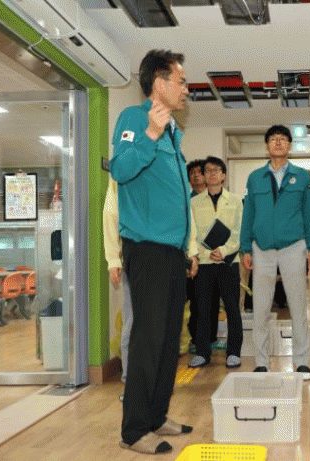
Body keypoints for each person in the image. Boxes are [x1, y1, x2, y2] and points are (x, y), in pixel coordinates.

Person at [110, 49, 194, 455]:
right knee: (148, 337)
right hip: (146, 247)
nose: (186, 88)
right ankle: (134, 430)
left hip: (172, 250)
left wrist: (187, 247)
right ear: (159, 83)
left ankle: (157, 415)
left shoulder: (174, 130)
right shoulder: (134, 118)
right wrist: (150, 134)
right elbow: (121, 169)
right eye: (181, 80)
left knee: (169, 338)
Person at [240, 125, 310, 379]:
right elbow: (248, 214)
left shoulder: (302, 176)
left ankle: (302, 362)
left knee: (298, 306)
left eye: (283, 139)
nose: (277, 143)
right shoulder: (255, 177)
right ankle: (261, 362)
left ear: (289, 146)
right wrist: (245, 247)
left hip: (294, 247)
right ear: (267, 146)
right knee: (260, 308)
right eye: (273, 139)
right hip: (261, 249)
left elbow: (309, 214)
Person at [187, 156, 243, 368]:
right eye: (207, 170)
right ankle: (203, 352)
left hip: (229, 262)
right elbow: (191, 233)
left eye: (216, 170)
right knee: (202, 309)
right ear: (203, 175)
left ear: (223, 175)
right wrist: (203, 252)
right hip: (204, 263)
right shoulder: (194, 203)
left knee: (232, 308)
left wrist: (224, 250)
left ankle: (234, 352)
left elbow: (239, 231)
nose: (211, 173)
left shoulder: (235, 201)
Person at [186, 159, 221, 351]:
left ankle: (212, 338)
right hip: (193, 258)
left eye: (199, 172)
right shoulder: (186, 200)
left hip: (214, 257)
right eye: (192, 173)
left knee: (213, 300)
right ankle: (196, 339)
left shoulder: (215, 198)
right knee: (195, 301)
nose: (196, 176)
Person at [102, 177, 132, 401]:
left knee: (161, 324)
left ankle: (156, 382)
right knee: (132, 322)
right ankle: (130, 381)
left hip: (165, 255)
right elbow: (111, 215)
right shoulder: (121, 170)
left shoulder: (168, 164)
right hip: (134, 255)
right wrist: (113, 259)